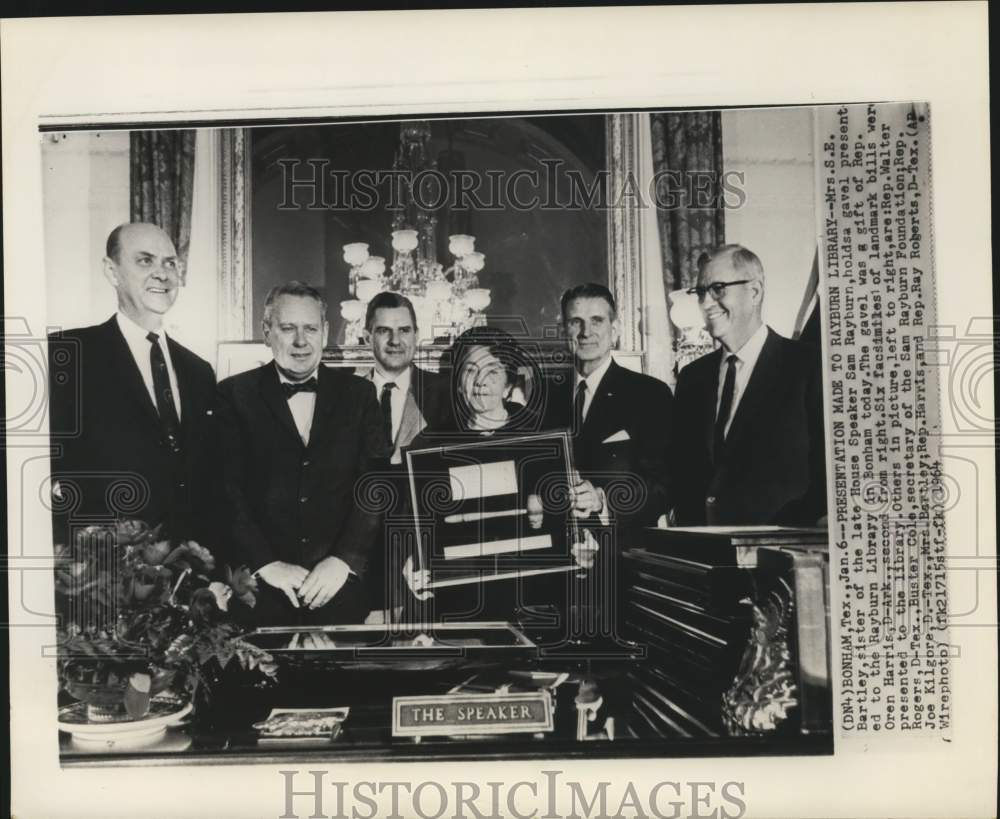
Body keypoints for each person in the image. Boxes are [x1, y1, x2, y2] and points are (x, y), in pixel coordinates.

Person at [217, 281, 390, 626]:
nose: (300, 341)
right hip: (261, 593)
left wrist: (344, 559)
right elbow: (225, 491)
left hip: (340, 589)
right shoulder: (234, 395)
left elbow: (375, 484)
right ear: (267, 332)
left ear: (325, 332)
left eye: (310, 328)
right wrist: (267, 565)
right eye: (287, 328)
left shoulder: (360, 395)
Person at [48, 222, 218, 544]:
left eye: (170, 262)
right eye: (145, 260)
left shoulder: (199, 372)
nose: (162, 273)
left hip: (185, 571)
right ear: (112, 272)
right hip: (98, 574)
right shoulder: (67, 355)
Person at [670, 244, 826, 526]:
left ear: (754, 292)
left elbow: (830, 475)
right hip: (701, 557)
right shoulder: (692, 377)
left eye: (718, 289)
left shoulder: (810, 367)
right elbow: (680, 475)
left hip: (776, 556)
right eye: (701, 292)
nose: (706, 303)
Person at [545, 283, 674, 537]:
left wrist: (603, 501)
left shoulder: (650, 394)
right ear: (564, 331)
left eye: (597, 321)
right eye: (575, 322)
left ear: (614, 330)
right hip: (556, 555)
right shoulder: (547, 395)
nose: (586, 332)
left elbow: (665, 486)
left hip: (622, 555)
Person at [357, 291, 449, 619]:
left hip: (428, 571)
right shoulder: (343, 396)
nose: (396, 340)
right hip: (360, 573)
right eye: (384, 331)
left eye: (404, 330)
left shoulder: (447, 393)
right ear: (367, 337)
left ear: (416, 335)